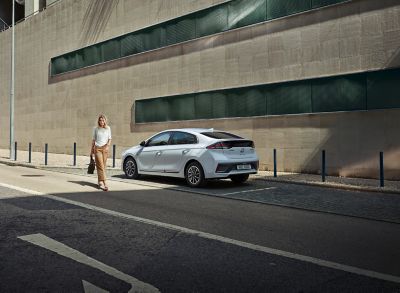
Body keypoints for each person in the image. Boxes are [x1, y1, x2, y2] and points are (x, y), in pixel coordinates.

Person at [91, 114, 112, 191]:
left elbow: (110, 139)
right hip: (97, 149)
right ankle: (105, 182)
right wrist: (91, 150)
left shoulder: (108, 128)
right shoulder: (96, 129)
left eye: (103, 120)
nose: (101, 121)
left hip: (105, 149)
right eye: (100, 120)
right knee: (100, 165)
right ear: (98, 121)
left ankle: (100, 181)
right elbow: (93, 140)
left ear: (105, 121)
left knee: (103, 165)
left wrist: (108, 146)